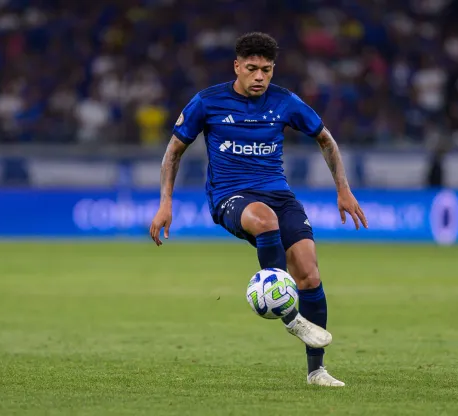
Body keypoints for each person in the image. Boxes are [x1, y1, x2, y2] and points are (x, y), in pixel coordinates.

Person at [149, 32, 368, 387]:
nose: (259, 77)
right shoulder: (208, 102)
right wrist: (165, 203)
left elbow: (325, 139)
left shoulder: (285, 102)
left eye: (266, 70)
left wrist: (343, 190)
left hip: (279, 194)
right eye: (251, 69)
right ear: (237, 66)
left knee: (310, 275)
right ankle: (287, 312)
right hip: (230, 196)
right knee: (265, 220)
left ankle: (317, 372)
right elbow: (173, 152)